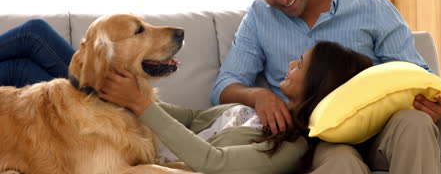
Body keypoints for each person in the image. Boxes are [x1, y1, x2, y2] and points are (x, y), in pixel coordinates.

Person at [209, 0, 441, 173]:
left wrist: (432, 103)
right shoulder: (259, 18)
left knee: (416, 123)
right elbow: (223, 87)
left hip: (379, 131)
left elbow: (413, 74)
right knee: (341, 161)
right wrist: (259, 96)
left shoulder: (372, 8)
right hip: (316, 140)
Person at [97, 41, 373, 174]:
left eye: (299, 64)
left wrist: (139, 103)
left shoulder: (290, 145)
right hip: (131, 132)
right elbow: (194, 118)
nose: (290, 65)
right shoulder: (266, 109)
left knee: (78, 72)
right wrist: (135, 98)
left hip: (138, 157)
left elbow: (214, 162)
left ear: (316, 82)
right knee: (82, 64)